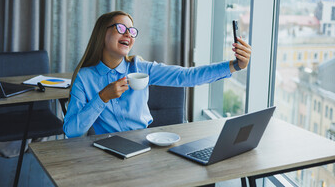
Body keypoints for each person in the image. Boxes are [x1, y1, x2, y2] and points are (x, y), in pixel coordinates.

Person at [63, 10, 252, 137]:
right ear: (101, 35)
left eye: (131, 31)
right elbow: (72, 131)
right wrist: (102, 97)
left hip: (144, 144)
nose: (128, 34)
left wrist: (235, 65)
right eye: (121, 28)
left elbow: (187, 76)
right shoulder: (85, 78)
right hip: (106, 152)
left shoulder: (141, 68)